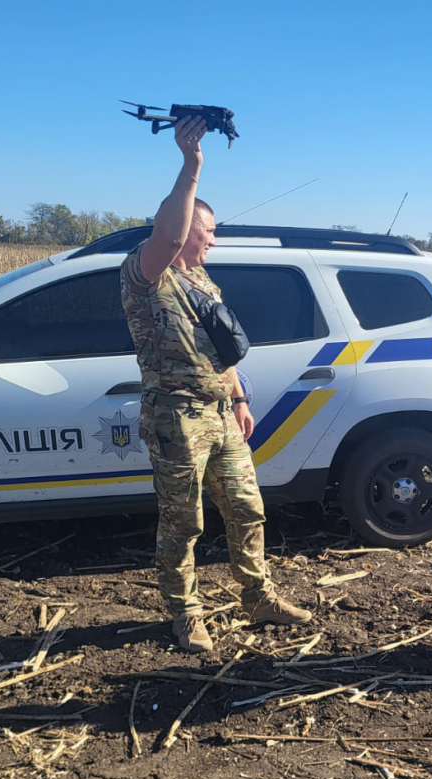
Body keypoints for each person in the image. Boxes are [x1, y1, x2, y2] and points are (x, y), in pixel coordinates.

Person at [120, 116, 312, 653]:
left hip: (221, 413)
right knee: (183, 523)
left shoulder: (204, 278)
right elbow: (171, 234)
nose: (212, 241)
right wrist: (191, 164)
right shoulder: (146, 272)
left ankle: (258, 597)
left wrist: (240, 395)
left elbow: (220, 347)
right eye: (209, 232)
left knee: (248, 507)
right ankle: (186, 615)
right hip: (175, 415)